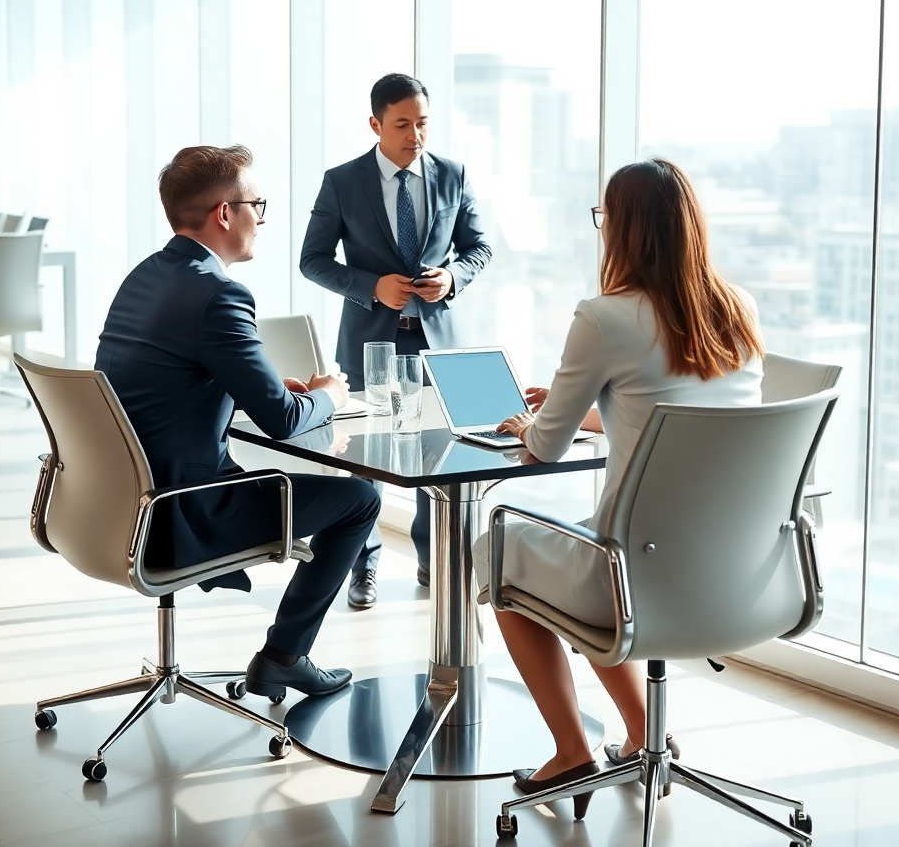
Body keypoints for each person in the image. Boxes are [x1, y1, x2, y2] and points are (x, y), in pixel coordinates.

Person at [473, 158, 764, 817]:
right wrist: (597, 402)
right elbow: (680, 411)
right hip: (735, 573)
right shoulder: (735, 306)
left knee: (499, 547)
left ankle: (572, 748)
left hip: (634, 577)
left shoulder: (605, 316)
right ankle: (642, 734)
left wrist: (534, 422)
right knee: (584, 553)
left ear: (624, 229)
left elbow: (544, 448)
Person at [95, 144, 381, 702]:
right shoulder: (220, 293)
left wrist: (271, 391)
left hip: (119, 500)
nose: (263, 218)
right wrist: (325, 394)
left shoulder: (145, 276)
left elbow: (168, 382)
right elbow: (282, 422)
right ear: (225, 213)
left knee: (346, 494)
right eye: (258, 204)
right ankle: (284, 657)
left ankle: (284, 656)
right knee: (361, 500)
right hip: (183, 509)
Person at [300, 73, 492, 608]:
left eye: (423, 123)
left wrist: (452, 277)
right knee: (369, 457)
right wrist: (370, 286)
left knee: (439, 454)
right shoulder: (342, 181)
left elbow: (479, 249)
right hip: (371, 343)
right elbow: (312, 260)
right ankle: (363, 566)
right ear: (375, 124)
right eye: (403, 124)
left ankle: (435, 560)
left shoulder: (453, 175)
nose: (415, 135)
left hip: (437, 344)